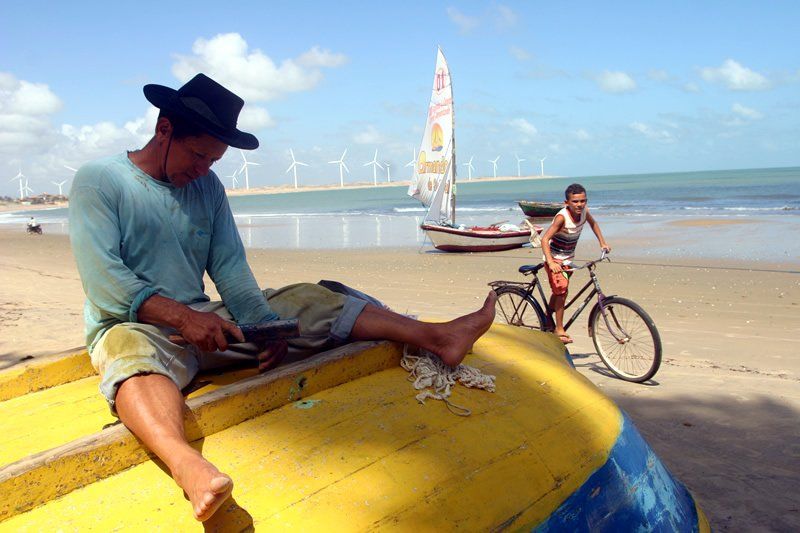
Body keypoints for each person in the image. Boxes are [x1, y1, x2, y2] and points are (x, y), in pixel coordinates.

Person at [68, 73, 495, 522]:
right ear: (164, 129)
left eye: (214, 160)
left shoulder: (207, 188)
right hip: (133, 325)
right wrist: (181, 319)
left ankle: (437, 336)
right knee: (127, 352)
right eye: (198, 155)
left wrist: (264, 326)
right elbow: (104, 282)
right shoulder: (100, 181)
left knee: (309, 297)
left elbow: (229, 267)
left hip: (204, 323)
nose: (204, 170)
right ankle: (188, 466)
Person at [540, 183, 610, 344]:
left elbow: (593, 224)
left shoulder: (585, 212)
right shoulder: (561, 218)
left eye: (583, 201)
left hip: (568, 258)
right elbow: (544, 239)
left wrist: (603, 243)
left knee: (560, 291)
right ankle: (559, 329)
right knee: (561, 292)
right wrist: (551, 262)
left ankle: (546, 317)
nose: (580, 205)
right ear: (567, 203)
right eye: (575, 202)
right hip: (555, 259)